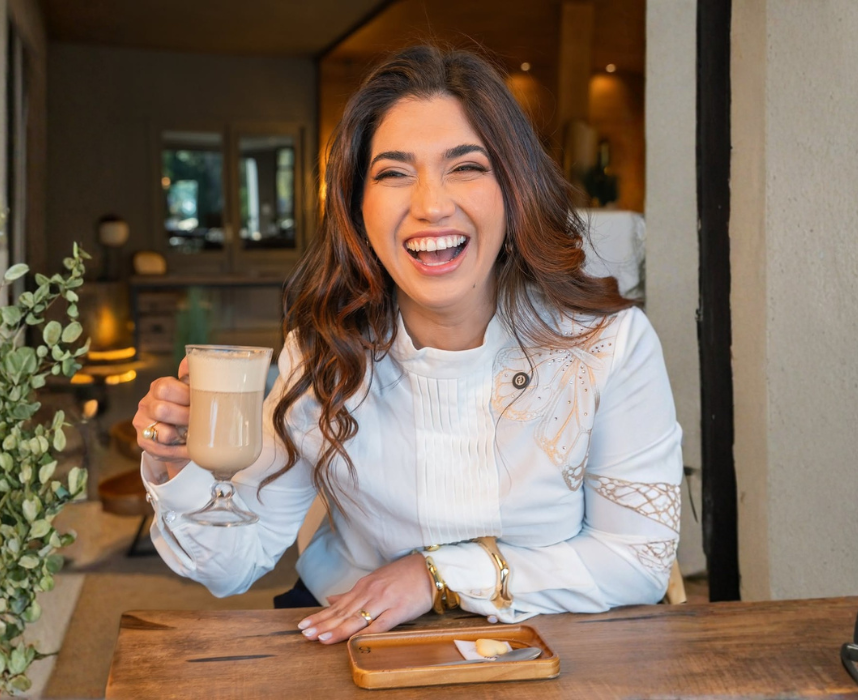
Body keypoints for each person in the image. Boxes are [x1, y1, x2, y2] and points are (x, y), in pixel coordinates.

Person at [133, 45, 683, 646]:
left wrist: (435, 576)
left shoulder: (607, 345)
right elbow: (231, 566)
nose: (431, 206)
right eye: (394, 173)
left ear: (514, 188)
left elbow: (637, 559)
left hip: (547, 645)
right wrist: (175, 466)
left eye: (466, 166)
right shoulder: (323, 353)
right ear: (357, 208)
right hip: (350, 638)